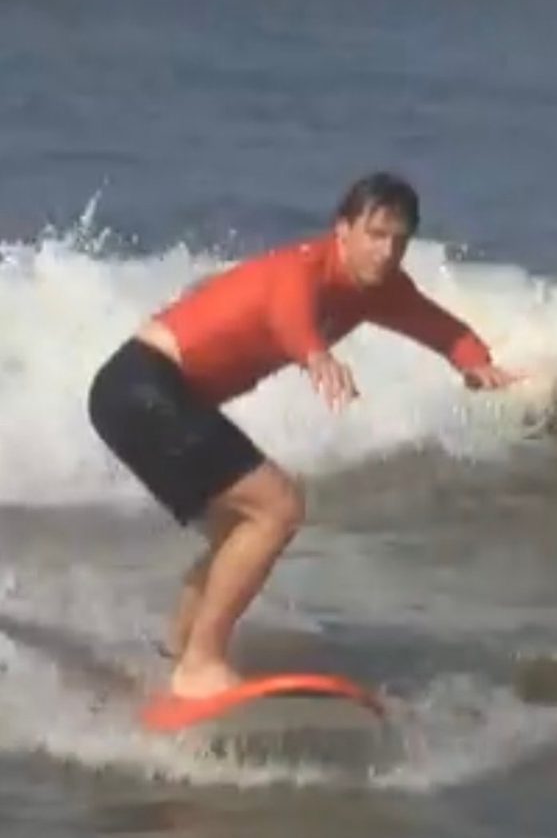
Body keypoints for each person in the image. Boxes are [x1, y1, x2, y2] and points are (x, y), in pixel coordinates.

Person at [88, 172, 516, 699]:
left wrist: (476, 364)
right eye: (375, 235)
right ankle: (200, 665)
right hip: (143, 385)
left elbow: (441, 328)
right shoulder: (305, 269)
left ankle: (178, 657)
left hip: (147, 397)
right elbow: (286, 310)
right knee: (278, 507)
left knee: (239, 528)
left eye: (399, 241)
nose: (386, 252)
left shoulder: (381, 291)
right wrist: (313, 353)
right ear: (343, 231)